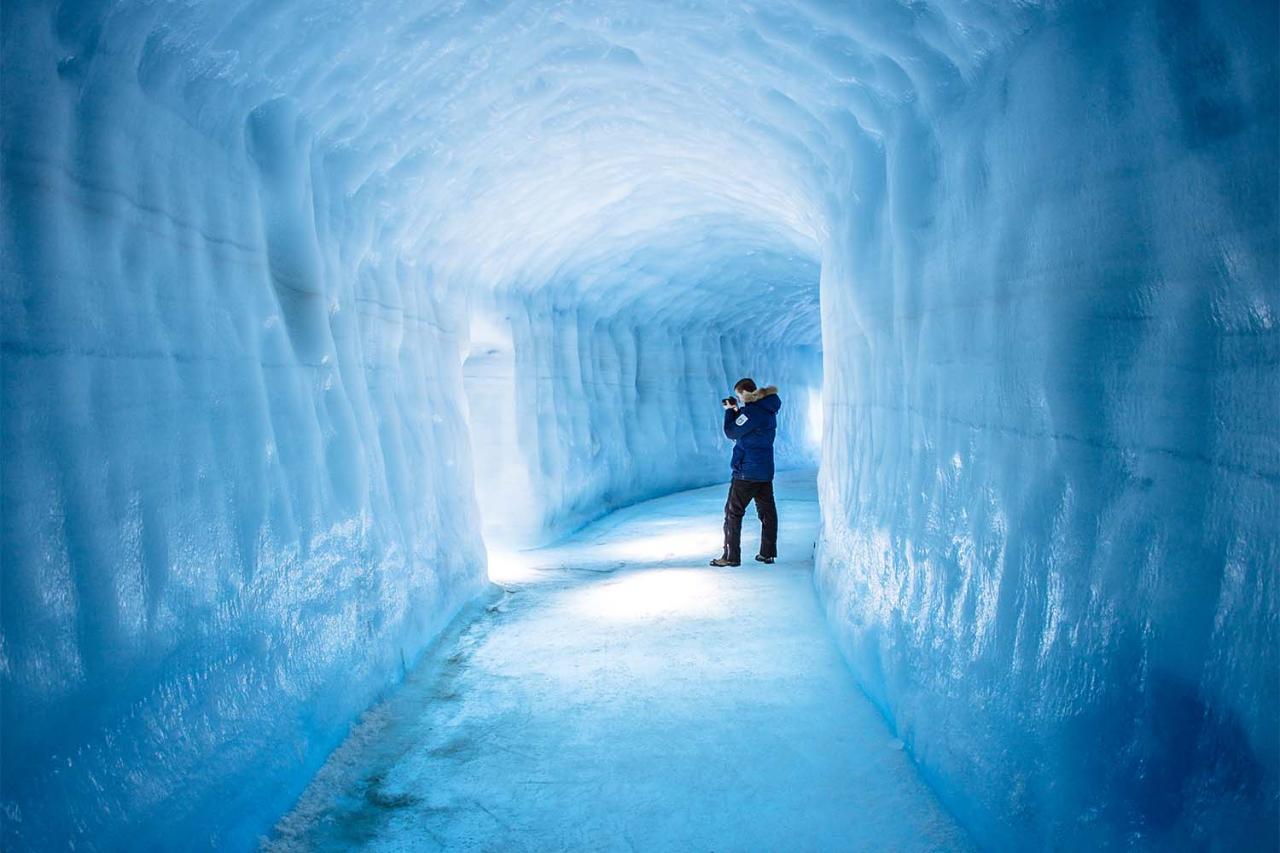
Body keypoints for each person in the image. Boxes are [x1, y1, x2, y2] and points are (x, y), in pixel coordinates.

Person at [710, 378, 781, 567]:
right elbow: (746, 426)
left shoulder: (752, 412)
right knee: (767, 513)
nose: (739, 400)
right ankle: (767, 553)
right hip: (764, 471)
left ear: (744, 393)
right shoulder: (768, 409)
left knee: (733, 513)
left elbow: (732, 432)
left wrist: (728, 412)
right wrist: (736, 411)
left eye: (739, 395)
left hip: (746, 472)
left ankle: (730, 556)